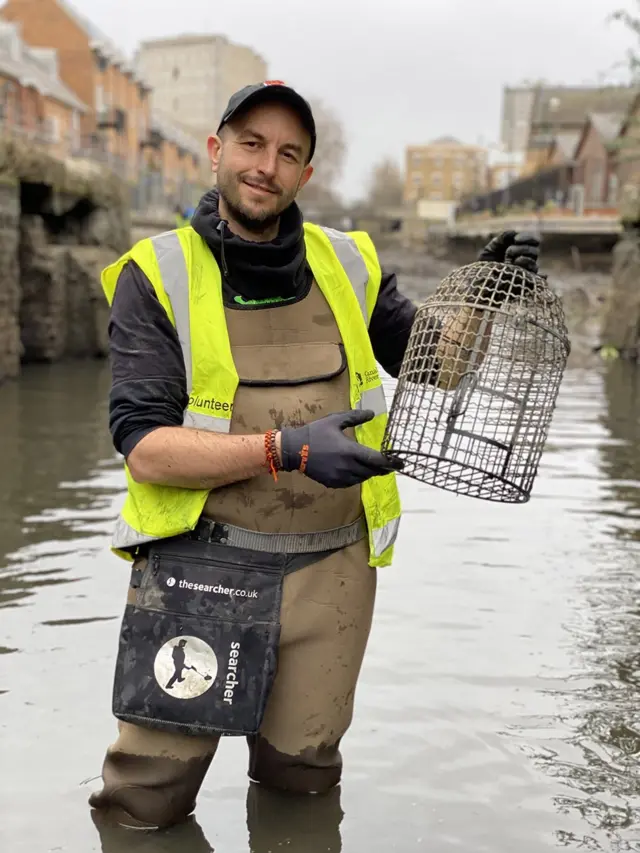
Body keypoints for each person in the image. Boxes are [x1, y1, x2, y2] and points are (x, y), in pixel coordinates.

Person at [89, 81, 541, 830]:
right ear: (217, 150)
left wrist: (489, 295)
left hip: (332, 573)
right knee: (146, 797)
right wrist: (285, 449)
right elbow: (147, 451)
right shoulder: (156, 273)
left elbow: (438, 364)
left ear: (306, 174)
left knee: (303, 782)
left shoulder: (347, 263)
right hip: (203, 570)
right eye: (251, 144)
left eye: (288, 153)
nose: (266, 165)